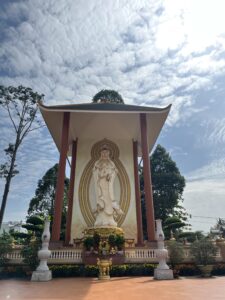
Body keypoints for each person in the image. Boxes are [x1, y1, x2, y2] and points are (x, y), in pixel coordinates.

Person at [93, 146, 123, 227]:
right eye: (103, 153)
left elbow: (115, 171)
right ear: (101, 154)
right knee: (101, 199)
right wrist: (100, 174)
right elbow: (95, 173)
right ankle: (100, 219)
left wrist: (111, 175)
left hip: (109, 185)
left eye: (106, 153)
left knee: (109, 198)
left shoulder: (111, 163)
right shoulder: (97, 163)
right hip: (101, 185)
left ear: (109, 154)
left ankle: (110, 219)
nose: (105, 154)